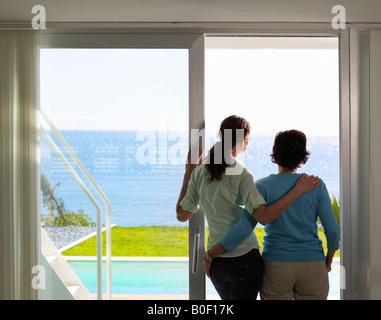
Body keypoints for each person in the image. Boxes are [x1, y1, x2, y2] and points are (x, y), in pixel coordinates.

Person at [176, 116, 320, 300]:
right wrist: (298, 189)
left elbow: (181, 215)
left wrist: (188, 173)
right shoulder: (242, 174)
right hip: (243, 259)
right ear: (244, 140)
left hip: (216, 263)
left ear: (221, 135)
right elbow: (263, 217)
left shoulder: (199, 173)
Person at [204, 130, 340, 300]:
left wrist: (212, 252)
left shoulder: (262, 186)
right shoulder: (315, 185)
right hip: (312, 263)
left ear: (275, 153)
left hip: (276, 266)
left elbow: (243, 228)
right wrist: (329, 259)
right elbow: (333, 230)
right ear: (302, 156)